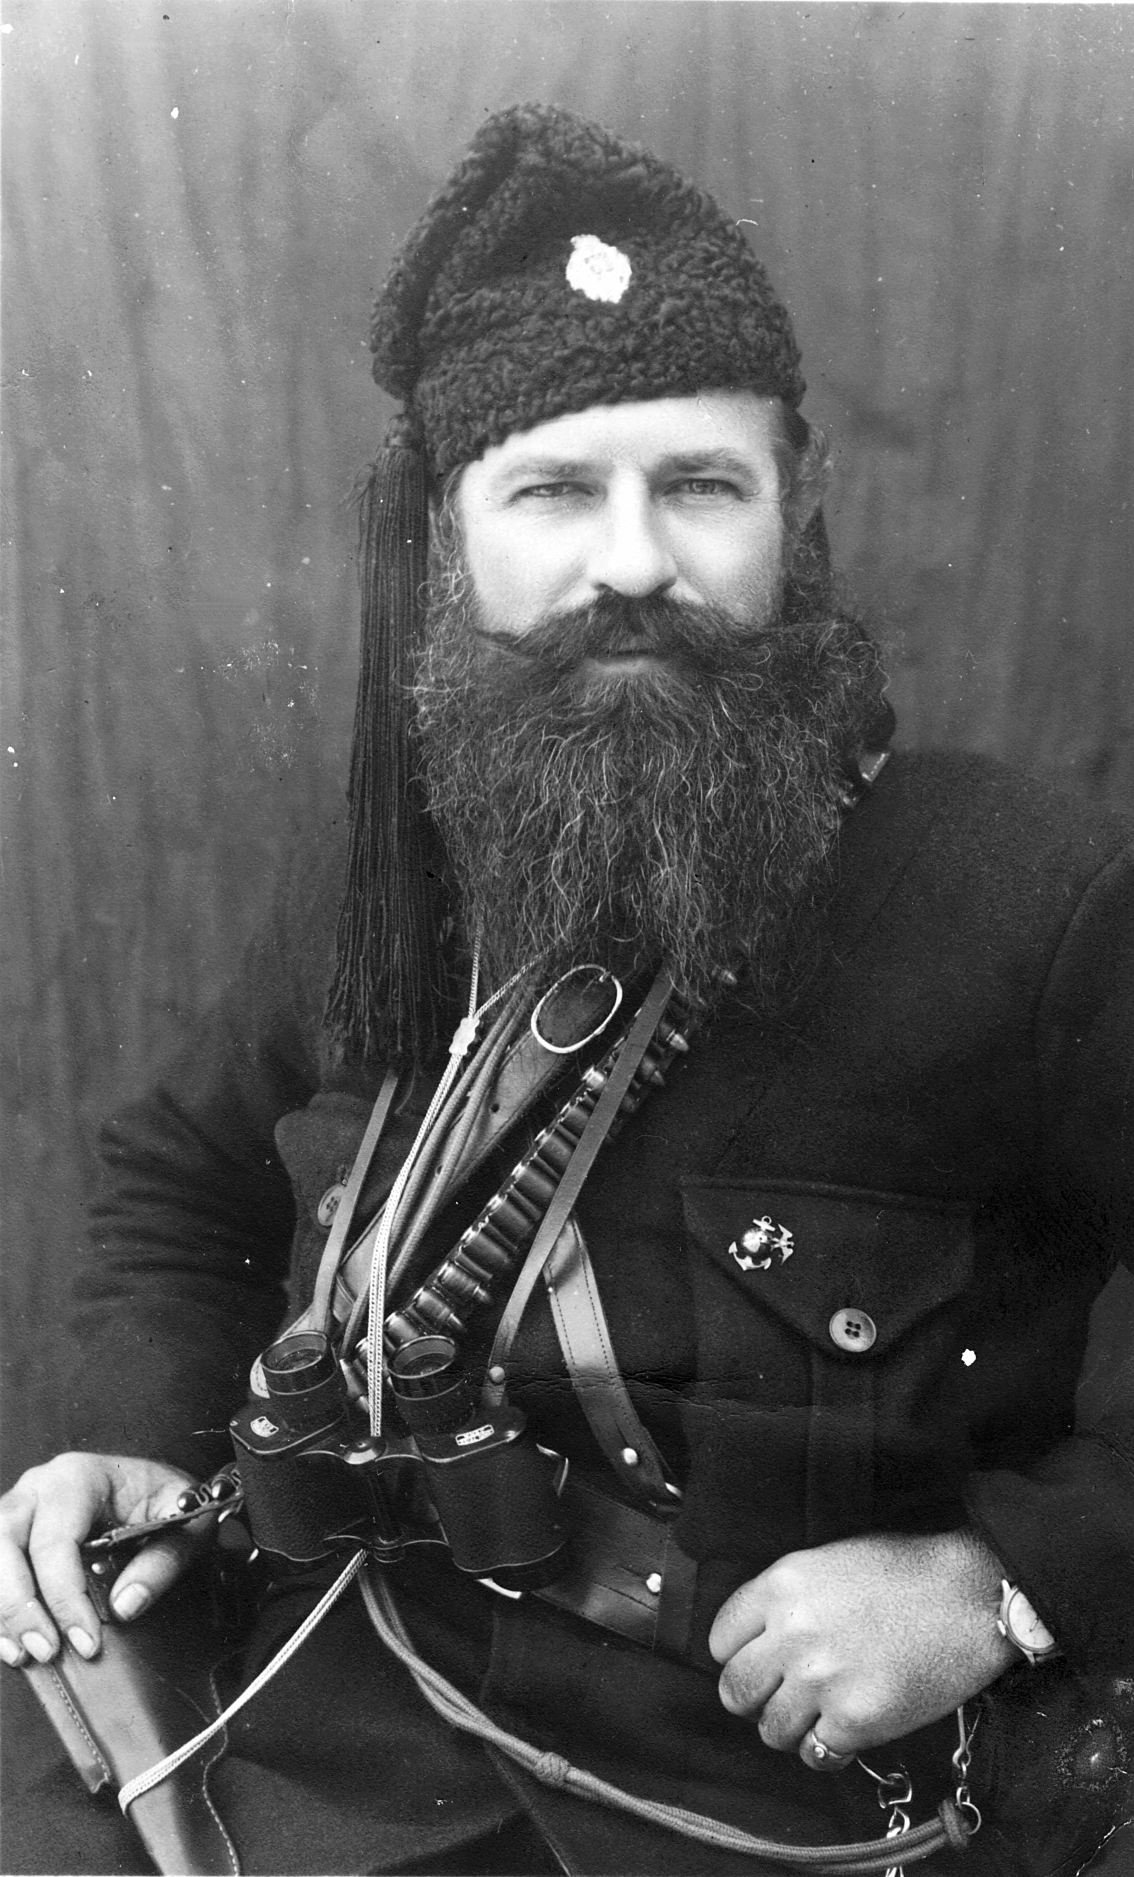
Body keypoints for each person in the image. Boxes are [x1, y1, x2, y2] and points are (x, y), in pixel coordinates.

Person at [1, 104, 1132, 1877]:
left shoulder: (1032, 895)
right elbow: (180, 1178)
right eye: (551, 492)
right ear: (446, 541)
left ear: (796, 515)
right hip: (334, 1718)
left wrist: (1005, 1581)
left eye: (699, 486)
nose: (631, 565)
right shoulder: (383, 882)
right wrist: (131, 1434)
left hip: (777, 1797)